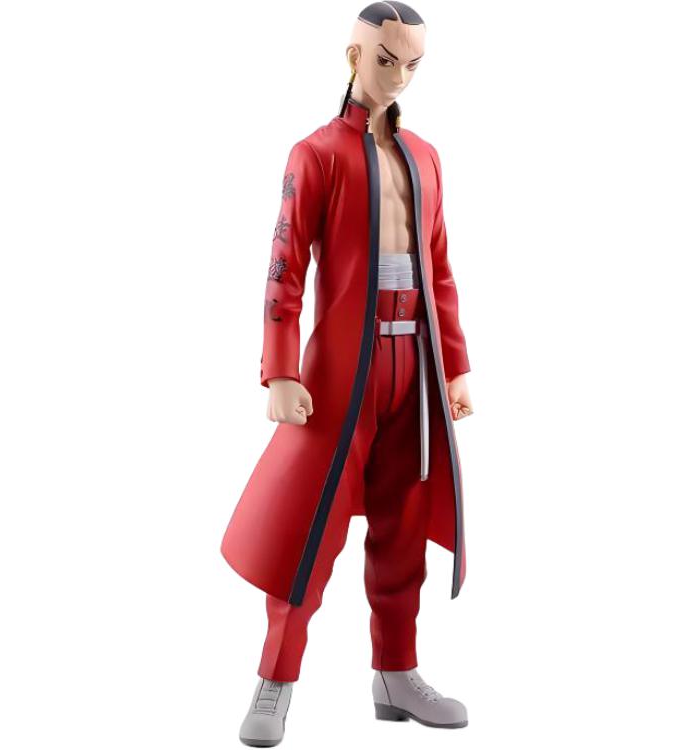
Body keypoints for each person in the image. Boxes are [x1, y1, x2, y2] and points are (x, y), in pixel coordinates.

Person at [221, 2, 474, 745]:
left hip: (413, 365)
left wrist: (455, 366)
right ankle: (275, 679)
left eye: (413, 64)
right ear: (356, 55)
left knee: (403, 526)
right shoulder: (316, 154)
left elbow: (440, 269)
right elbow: (284, 267)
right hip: (340, 372)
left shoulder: (425, 156)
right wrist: (280, 369)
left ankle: (396, 673)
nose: (399, 76)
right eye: (387, 59)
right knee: (307, 530)